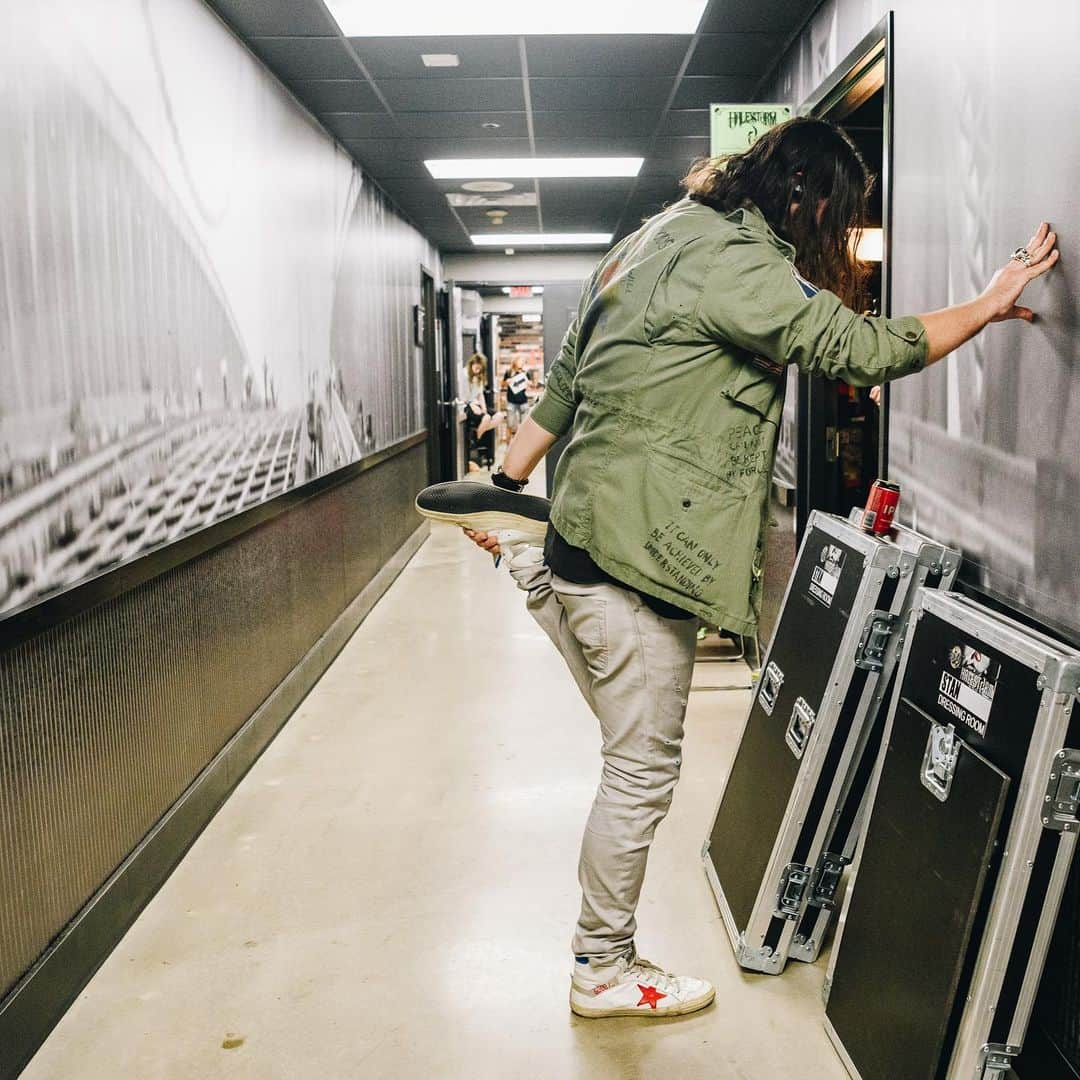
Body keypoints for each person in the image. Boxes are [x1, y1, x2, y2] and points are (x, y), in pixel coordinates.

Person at [416, 117, 1058, 1019]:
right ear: (807, 198)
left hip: (587, 529)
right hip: (641, 552)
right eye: (839, 217)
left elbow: (564, 377)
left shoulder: (661, 233)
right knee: (641, 769)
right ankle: (602, 967)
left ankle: (529, 551)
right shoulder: (744, 266)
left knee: (624, 718)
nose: (838, 237)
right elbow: (863, 350)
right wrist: (988, 303)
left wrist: (509, 477)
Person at [501, 357, 531, 435]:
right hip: (511, 401)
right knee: (510, 424)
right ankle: (511, 441)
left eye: (522, 362)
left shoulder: (525, 373)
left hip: (523, 401)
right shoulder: (508, 372)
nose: (521, 363)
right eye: (520, 361)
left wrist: (529, 384)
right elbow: (502, 385)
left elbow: (531, 384)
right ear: (515, 362)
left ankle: (522, 441)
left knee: (525, 424)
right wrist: (506, 382)